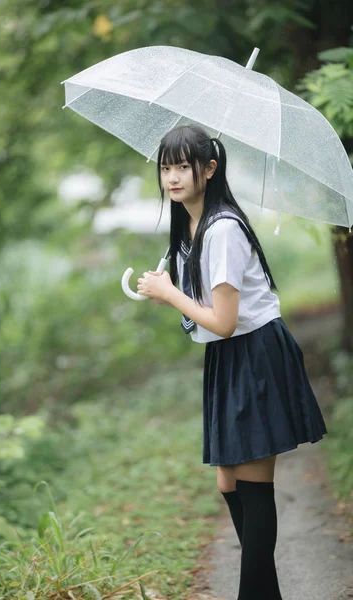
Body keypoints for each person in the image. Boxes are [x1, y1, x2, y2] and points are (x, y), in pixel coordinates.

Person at [136, 124, 328, 600]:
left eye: (184, 165)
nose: (173, 177)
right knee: (229, 480)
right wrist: (170, 291)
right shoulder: (194, 225)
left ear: (210, 168)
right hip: (229, 356)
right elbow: (212, 319)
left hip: (256, 353)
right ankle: (267, 591)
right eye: (166, 167)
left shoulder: (222, 229)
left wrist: (171, 294)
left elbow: (223, 321)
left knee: (251, 482)